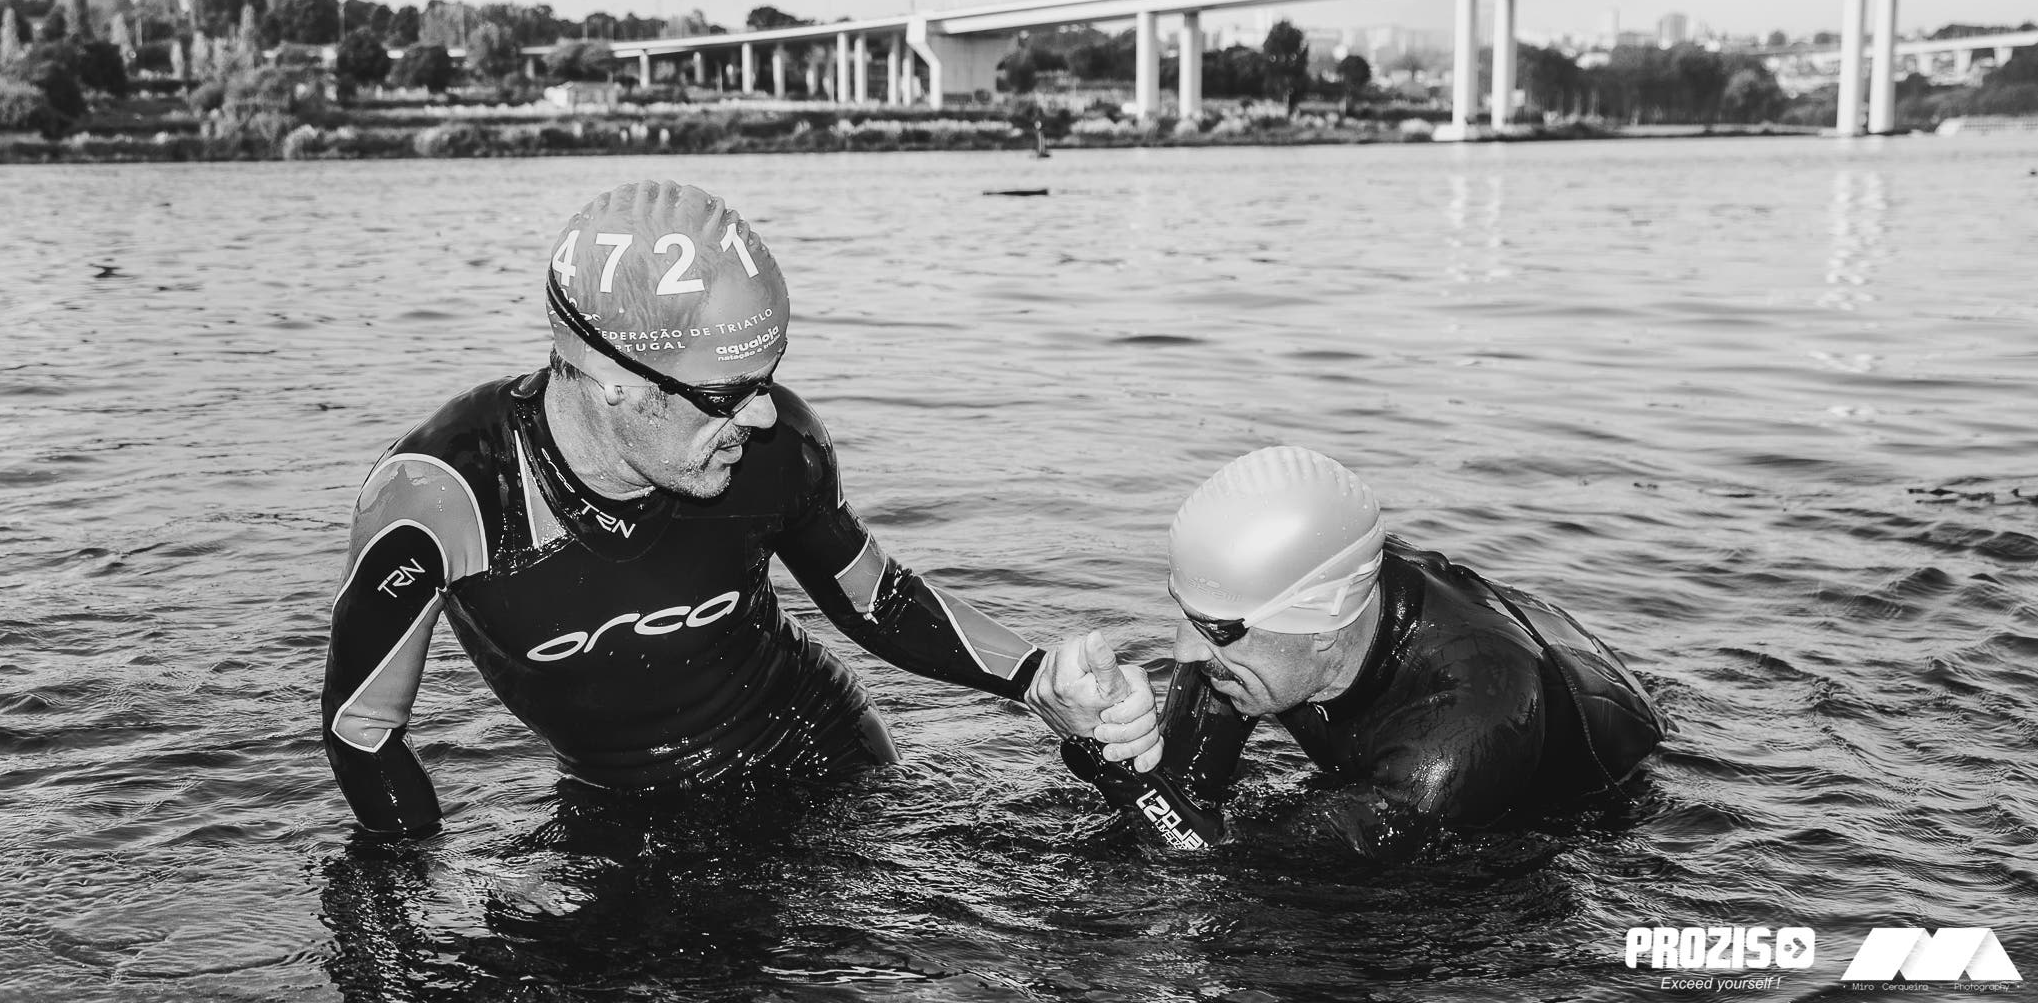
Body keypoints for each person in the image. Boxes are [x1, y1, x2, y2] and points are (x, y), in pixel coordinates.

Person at [321, 180, 1157, 837]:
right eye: (728, 393)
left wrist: (1038, 679)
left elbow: (875, 598)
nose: (761, 414)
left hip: (819, 763)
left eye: (769, 376)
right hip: (617, 807)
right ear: (614, 379)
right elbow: (362, 735)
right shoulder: (443, 495)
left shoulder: (776, 443)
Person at [1065, 446, 1666, 859]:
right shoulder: (1252, 636)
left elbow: (1226, 866)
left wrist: (1107, 764)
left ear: (1324, 625)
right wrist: (1117, 735)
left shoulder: (1462, 727)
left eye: (1216, 630)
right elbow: (1186, 797)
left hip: (1593, 806)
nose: (1186, 651)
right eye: (1188, 616)